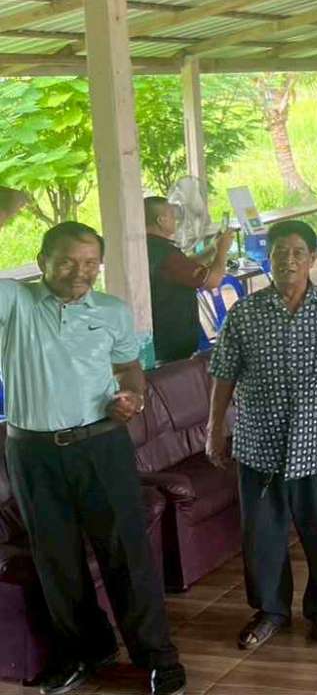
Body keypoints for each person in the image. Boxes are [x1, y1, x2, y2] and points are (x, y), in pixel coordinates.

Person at [0, 222, 187, 695]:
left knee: (126, 552)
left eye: (89, 263)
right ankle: (86, 651)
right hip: (32, 451)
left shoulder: (112, 311)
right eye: (66, 261)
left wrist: (133, 398)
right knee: (56, 559)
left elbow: (128, 367)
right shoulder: (16, 303)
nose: (79, 272)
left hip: (101, 444)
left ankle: (157, 658)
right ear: (42, 261)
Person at [207, 219, 317, 652]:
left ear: (313, 258)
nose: (289, 260)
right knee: (262, 533)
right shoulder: (245, 312)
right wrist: (214, 428)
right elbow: (223, 374)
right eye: (280, 252)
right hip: (259, 440)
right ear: (269, 258)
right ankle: (270, 611)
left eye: (298, 252)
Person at [144, 195, 235, 364]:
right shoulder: (166, 254)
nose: (176, 220)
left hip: (160, 332)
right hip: (173, 335)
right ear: (161, 220)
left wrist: (213, 248)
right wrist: (222, 251)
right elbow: (213, 281)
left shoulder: (150, 246)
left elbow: (186, 265)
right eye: (172, 215)